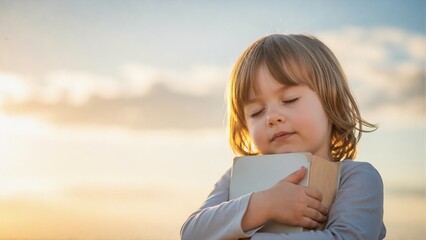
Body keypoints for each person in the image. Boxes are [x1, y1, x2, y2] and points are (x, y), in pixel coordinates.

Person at [180, 34, 386, 240]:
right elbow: (192, 234)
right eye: (256, 111)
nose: (272, 117)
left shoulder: (356, 178)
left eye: (290, 99)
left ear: (331, 101)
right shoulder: (236, 178)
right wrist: (263, 205)